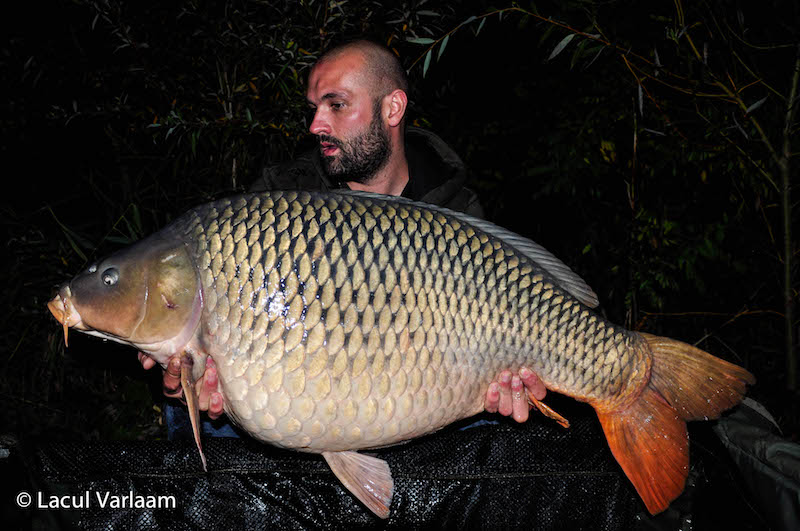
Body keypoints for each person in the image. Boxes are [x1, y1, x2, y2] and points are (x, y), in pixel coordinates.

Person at [138, 38, 546, 435]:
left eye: (336, 105)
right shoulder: (277, 201)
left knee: (497, 427)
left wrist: (509, 386)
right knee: (202, 419)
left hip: (426, 404)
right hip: (307, 401)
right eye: (315, 108)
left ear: (392, 108)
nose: (317, 125)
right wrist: (187, 383)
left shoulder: (457, 209)